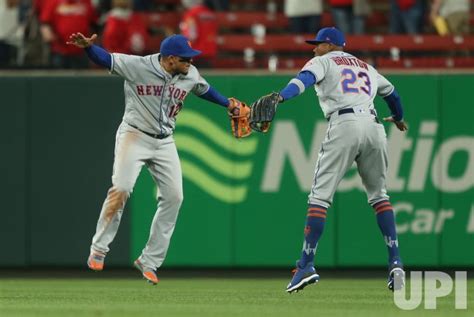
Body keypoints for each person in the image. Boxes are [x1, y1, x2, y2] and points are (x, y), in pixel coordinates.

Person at [67, 33, 243, 284]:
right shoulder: (138, 66)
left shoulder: (189, 73)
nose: (190, 62)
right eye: (186, 59)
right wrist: (89, 48)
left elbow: (204, 90)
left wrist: (228, 104)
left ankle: (149, 261)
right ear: (170, 59)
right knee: (122, 188)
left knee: (174, 197)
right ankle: (99, 249)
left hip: (164, 141)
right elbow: (107, 60)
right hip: (134, 135)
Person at [254, 27, 408, 293]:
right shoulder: (366, 66)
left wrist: (280, 97)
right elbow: (392, 94)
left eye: (317, 44)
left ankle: (306, 265)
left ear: (329, 45)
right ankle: (395, 261)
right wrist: (398, 116)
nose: (314, 49)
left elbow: (301, 81)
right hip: (374, 127)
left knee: (319, 198)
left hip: (344, 123)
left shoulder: (323, 61)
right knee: (380, 196)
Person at [40, 0, 97, 68]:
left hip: (82, 51)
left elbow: (94, 23)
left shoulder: (86, 2)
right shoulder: (53, 1)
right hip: (60, 51)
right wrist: (48, 34)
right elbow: (45, 22)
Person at [179, 0, 217, 68]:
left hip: (195, 54)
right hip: (209, 52)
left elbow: (192, 36)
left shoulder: (191, 14)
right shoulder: (210, 12)